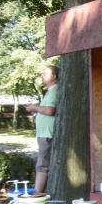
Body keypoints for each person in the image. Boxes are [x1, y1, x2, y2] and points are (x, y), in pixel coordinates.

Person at [25, 65, 59, 193]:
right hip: (44, 134)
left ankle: (36, 196)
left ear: (54, 76)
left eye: (46, 73)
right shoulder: (51, 91)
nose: (42, 75)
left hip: (47, 135)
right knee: (42, 165)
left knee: (42, 166)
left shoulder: (55, 90)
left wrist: (34, 107)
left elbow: (50, 110)